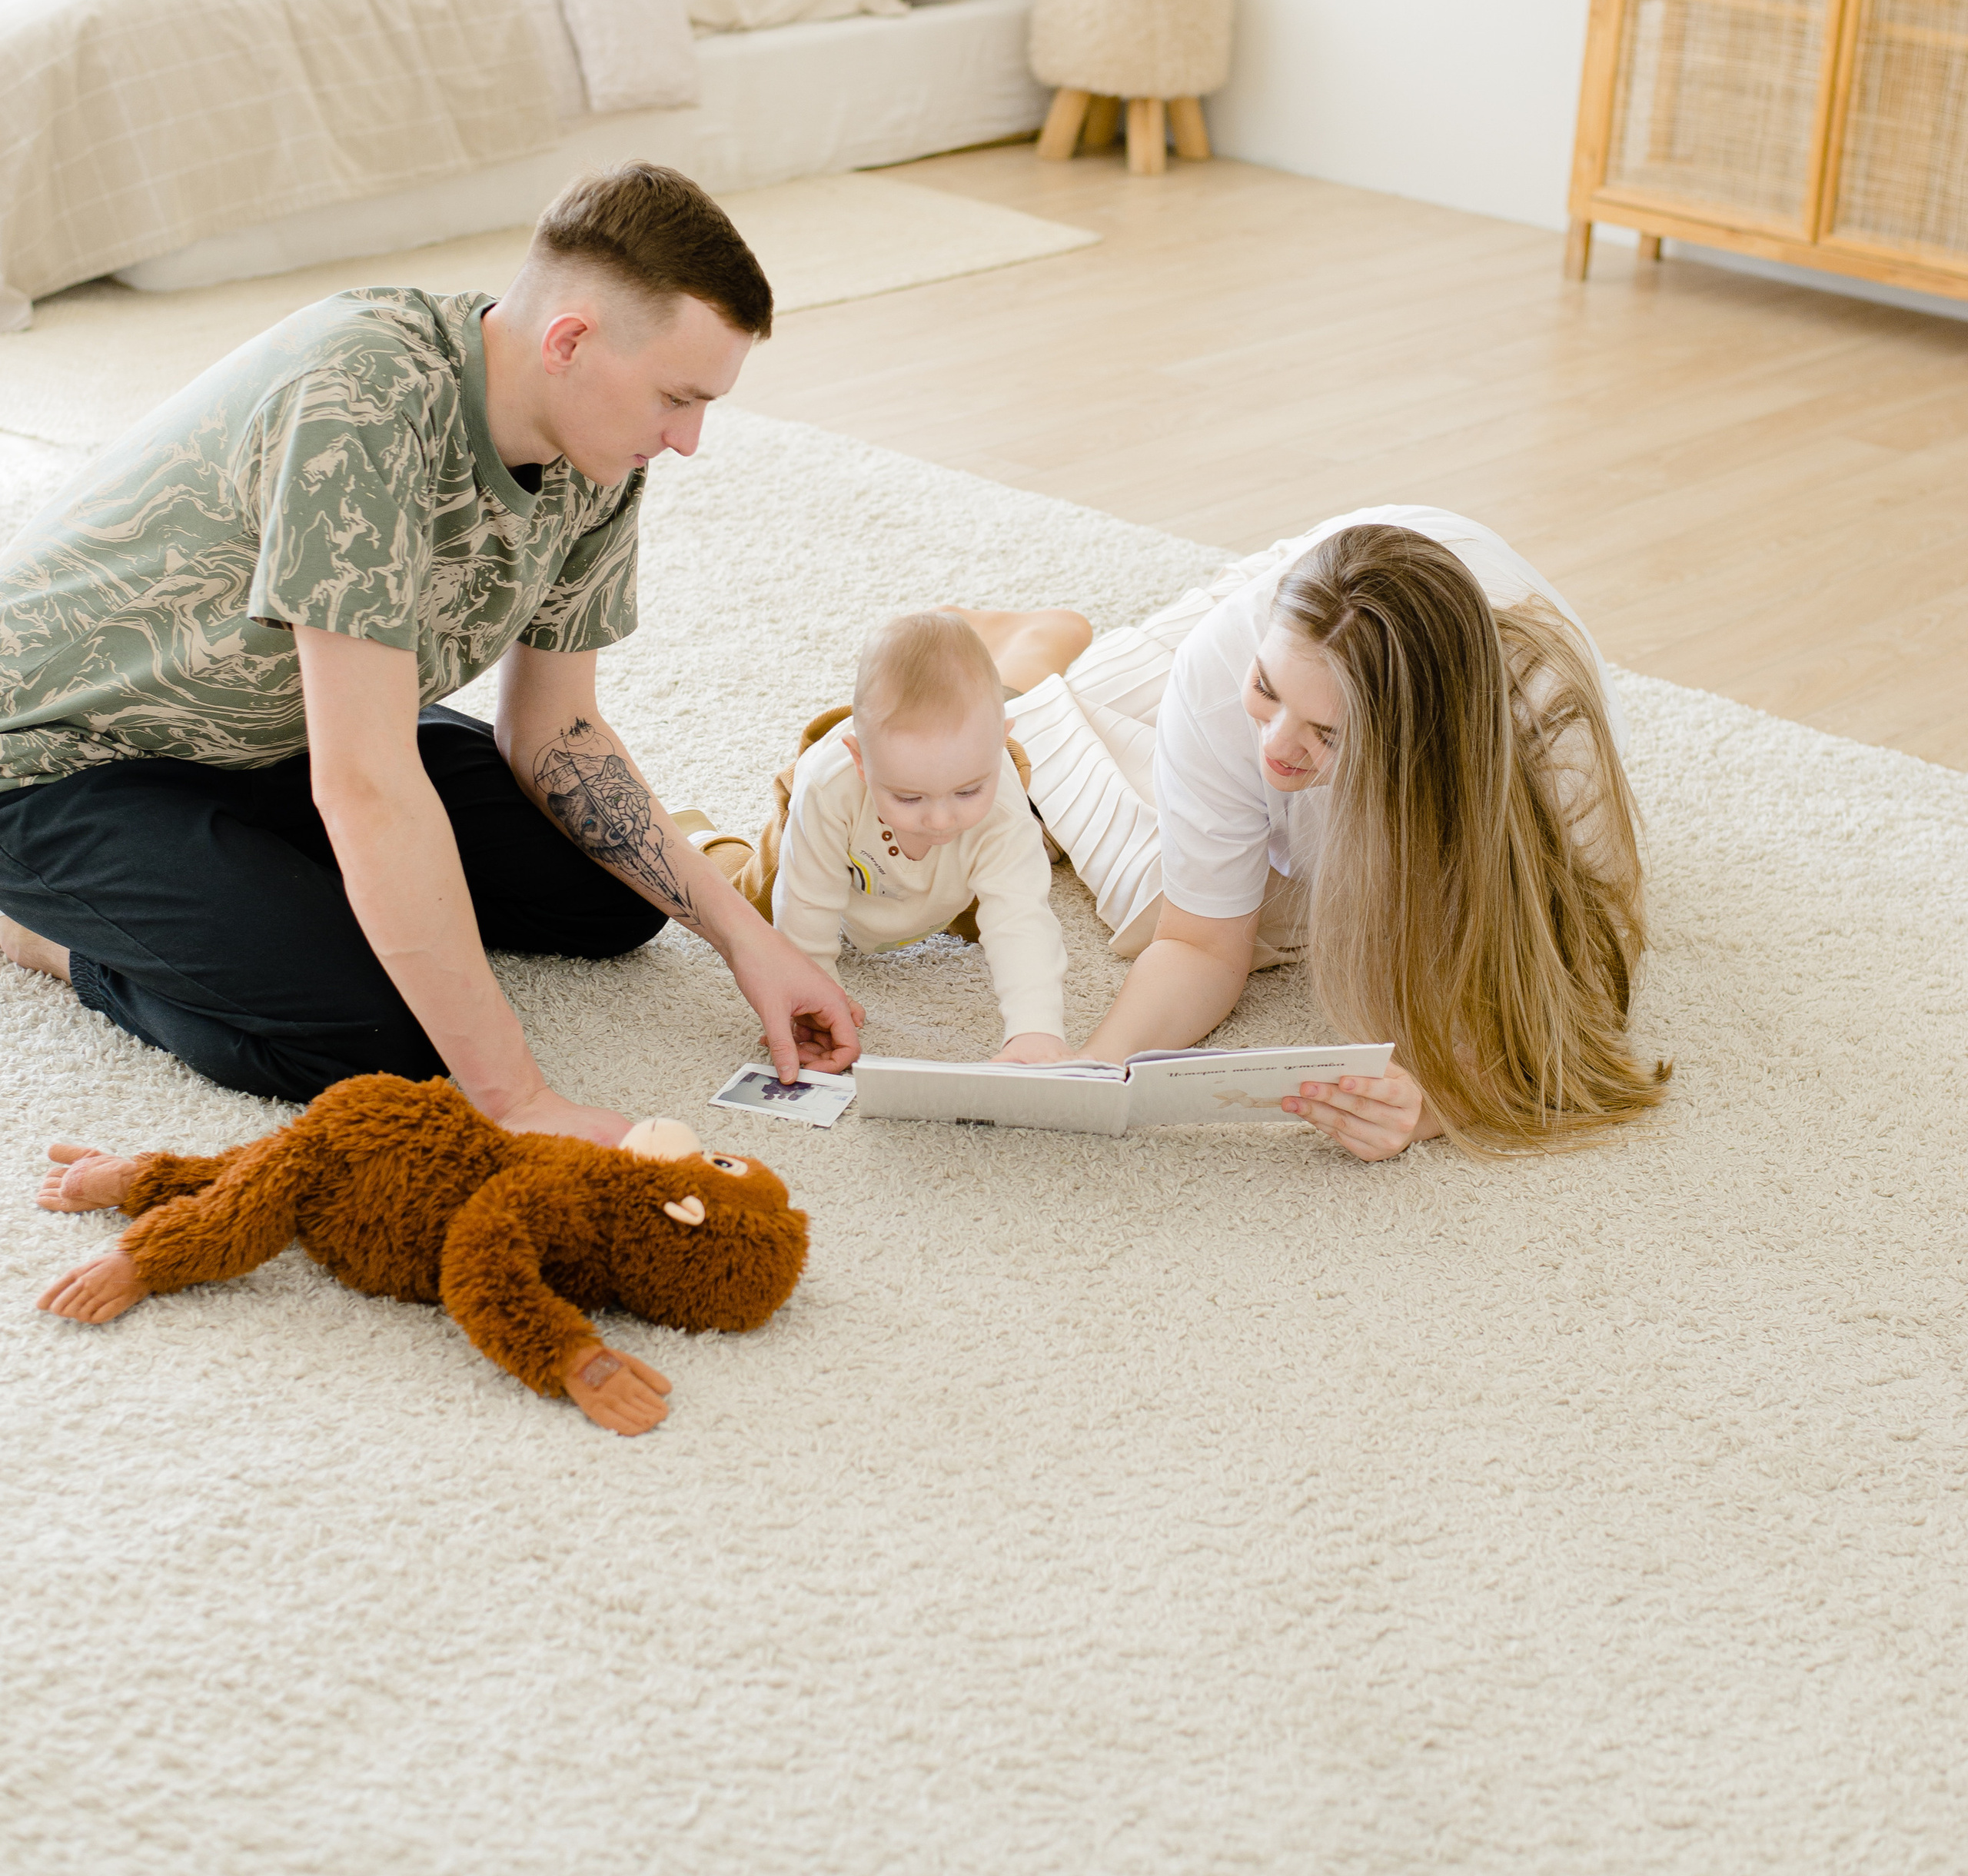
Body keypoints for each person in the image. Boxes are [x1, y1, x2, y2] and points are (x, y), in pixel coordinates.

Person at [0, 162, 861, 1139]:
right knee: (377, 1042)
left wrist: (747, 942)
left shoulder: (599, 454)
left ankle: (270, 874)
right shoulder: (362, 398)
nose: (690, 438)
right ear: (569, 342)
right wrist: (519, 1102)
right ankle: (48, 937)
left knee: (608, 903)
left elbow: (557, 729)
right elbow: (369, 785)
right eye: (677, 397)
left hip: (289, 735)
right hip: (62, 759)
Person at [1009, 506, 1667, 1163]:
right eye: (1266, 691)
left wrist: (1438, 1103)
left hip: (1436, 692)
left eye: (1328, 733)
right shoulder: (1227, 659)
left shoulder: (1550, 745)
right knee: (1023, 772)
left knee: (1282, 905)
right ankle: (1024, 654)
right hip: (1320, 598)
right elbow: (1200, 942)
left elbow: (1569, 994)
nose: (1274, 748)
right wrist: (1098, 1066)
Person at [684, 607, 1092, 1063]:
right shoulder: (828, 790)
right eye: (909, 797)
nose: (941, 821)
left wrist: (1036, 1030)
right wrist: (816, 999)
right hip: (824, 833)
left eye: (968, 791)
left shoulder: (997, 803)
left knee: (1001, 901)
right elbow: (806, 906)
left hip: (965, 823)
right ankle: (703, 841)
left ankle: (1037, 639)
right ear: (861, 761)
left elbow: (1022, 920)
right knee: (753, 909)